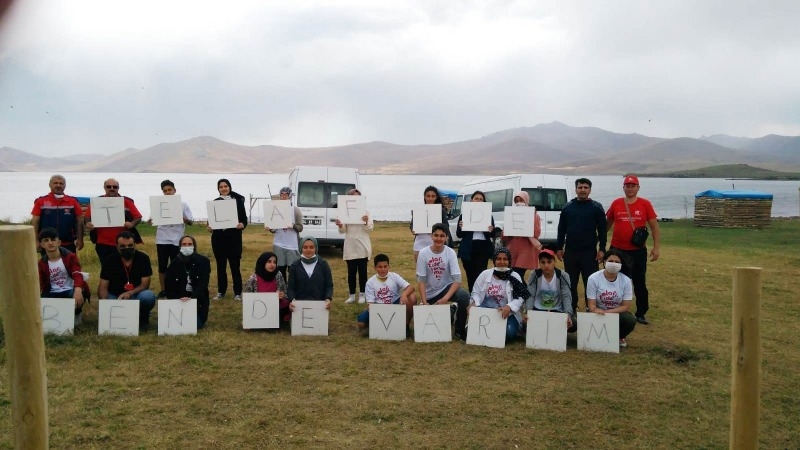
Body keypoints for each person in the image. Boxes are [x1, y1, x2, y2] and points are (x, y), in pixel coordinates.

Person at [605, 174, 661, 325]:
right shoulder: (616, 203)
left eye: (633, 185)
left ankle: (641, 313)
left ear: (638, 187)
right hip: (617, 250)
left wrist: (656, 248)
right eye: (627, 186)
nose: (630, 188)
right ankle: (616, 308)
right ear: (623, 187)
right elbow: (607, 224)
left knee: (639, 281)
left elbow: (654, 226)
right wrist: (600, 243)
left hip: (637, 251)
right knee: (615, 281)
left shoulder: (645, 204)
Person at [556, 178, 607, 313]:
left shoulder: (596, 207)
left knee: (591, 282)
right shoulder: (568, 207)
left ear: (590, 190)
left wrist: (602, 249)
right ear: (576, 189)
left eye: (585, 187)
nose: (583, 190)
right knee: (570, 282)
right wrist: (559, 247)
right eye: (580, 187)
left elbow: (602, 230)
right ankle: (571, 308)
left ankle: (591, 308)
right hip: (571, 252)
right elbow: (561, 229)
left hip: (589, 252)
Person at [416, 223, 470, 341]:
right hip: (430, 291)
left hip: (446, 287)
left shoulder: (450, 252)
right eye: (436, 235)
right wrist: (424, 302)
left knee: (464, 296)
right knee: (422, 323)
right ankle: (451, 311)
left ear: (446, 238)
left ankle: (459, 330)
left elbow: (457, 280)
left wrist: (445, 298)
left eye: (442, 236)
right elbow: (421, 280)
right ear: (431, 236)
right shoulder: (423, 253)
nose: (438, 239)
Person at [98, 231, 157, 330]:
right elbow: (103, 287)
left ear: (135, 245)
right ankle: (115, 318)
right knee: (106, 299)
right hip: (116, 297)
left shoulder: (143, 258)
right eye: (123, 246)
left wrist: (130, 293)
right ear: (117, 247)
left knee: (148, 296)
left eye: (130, 245)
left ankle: (143, 317)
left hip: (136, 295)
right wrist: (106, 305)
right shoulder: (109, 261)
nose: (127, 248)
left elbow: (145, 285)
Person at [468, 247, 529, 343]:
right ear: (494, 260)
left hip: (507, 313)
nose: (502, 262)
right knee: (469, 331)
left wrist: (509, 307)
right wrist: (474, 303)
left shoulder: (515, 276)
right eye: (499, 259)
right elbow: (475, 292)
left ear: (509, 261)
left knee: (509, 333)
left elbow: (520, 298)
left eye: (505, 259)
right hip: (486, 310)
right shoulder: (485, 274)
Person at [37, 227, 90, 325]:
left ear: (59, 242)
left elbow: (77, 274)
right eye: (46, 240)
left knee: (79, 293)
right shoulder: (41, 263)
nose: (50, 243)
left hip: (69, 289)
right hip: (52, 292)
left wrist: (78, 290)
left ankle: (77, 313)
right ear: (42, 244)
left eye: (53, 239)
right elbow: (41, 283)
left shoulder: (70, 257)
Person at [586, 249, 637, 347]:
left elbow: (626, 307)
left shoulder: (626, 281)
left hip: (616, 314)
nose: (614, 264)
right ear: (604, 262)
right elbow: (591, 304)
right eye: (611, 261)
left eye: (617, 262)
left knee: (629, 320)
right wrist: (595, 310)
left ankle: (619, 336)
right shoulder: (593, 278)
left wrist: (607, 313)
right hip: (597, 313)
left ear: (621, 264)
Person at [85, 178, 143, 263]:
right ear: (104, 188)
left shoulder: (126, 201)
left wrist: (132, 224)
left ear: (118, 188)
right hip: (103, 243)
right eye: (109, 187)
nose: (112, 189)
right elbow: (87, 217)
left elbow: (138, 217)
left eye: (115, 187)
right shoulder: (96, 201)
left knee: (124, 268)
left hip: (123, 244)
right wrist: (88, 223)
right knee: (106, 270)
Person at [208, 178, 248, 301]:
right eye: (221, 187)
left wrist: (242, 225)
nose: (224, 188)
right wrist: (209, 227)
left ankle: (237, 293)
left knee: (235, 267)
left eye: (226, 186)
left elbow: (244, 219)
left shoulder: (238, 201)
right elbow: (211, 221)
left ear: (229, 187)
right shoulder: (214, 202)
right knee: (221, 267)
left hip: (234, 239)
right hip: (218, 239)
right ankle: (221, 291)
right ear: (218, 189)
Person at [154, 180, 194, 298]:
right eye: (165, 191)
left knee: (177, 265)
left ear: (174, 190)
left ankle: (177, 288)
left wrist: (182, 218)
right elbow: (153, 218)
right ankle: (164, 289)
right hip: (161, 239)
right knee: (162, 266)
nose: (167, 192)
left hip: (177, 239)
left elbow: (191, 221)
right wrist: (152, 220)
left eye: (169, 190)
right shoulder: (158, 204)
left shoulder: (183, 204)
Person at [357, 253, 416, 332]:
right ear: (375, 268)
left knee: (411, 296)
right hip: (379, 306)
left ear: (389, 266)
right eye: (380, 267)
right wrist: (373, 309)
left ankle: (406, 326)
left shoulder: (394, 276)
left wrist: (404, 295)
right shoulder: (370, 282)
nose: (383, 269)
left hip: (395, 304)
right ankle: (378, 325)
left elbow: (411, 287)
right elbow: (370, 304)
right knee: (361, 323)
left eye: (385, 266)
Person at [335, 188, 374, 303]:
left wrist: (366, 222)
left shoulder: (366, 211)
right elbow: (343, 231)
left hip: (362, 246)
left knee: (362, 272)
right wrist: (340, 225)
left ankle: (362, 294)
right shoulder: (345, 211)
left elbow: (370, 228)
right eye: (353, 197)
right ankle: (352, 295)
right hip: (350, 246)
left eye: (358, 197)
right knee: (351, 272)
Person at [164, 235, 211, 329]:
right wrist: (179, 299)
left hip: (197, 303)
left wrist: (191, 299)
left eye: (190, 244)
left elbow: (203, 285)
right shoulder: (174, 264)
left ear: (194, 246)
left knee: (195, 325)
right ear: (180, 246)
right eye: (184, 244)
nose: (187, 246)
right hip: (178, 303)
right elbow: (169, 287)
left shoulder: (203, 262)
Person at [526, 249, 576, 333]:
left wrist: (568, 314)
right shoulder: (534, 275)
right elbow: (530, 295)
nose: (546, 265)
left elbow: (566, 296)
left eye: (549, 262)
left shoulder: (563, 275)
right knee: (524, 325)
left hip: (557, 310)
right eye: (543, 262)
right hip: (538, 310)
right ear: (539, 263)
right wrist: (529, 312)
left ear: (554, 262)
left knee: (574, 324)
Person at [31, 174, 84, 253]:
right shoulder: (41, 201)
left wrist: (80, 239)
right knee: (48, 265)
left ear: (65, 185)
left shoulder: (72, 201)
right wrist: (35, 240)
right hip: (48, 243)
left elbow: (79, 221)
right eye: (55, 183)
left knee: (69, 264)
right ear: (50, 184)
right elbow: (35, 222)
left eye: (61, 183)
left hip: (68, 243)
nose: (58, 185)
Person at [456, 190, 495, 292]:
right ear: (471, 200)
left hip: (483, 247)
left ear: (484, 202)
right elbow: (458, 234)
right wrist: (462, 227)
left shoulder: (488, 216)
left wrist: (491, 229)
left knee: (480, 275)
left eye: (481, 199)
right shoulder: (464, 215)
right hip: (468, 248)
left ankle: (479, 298)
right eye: (476, 198)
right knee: (470, 275)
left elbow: (492, 235)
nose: (478, 200)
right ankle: (472, 297)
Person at [501, 191, 542, 280]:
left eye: (521, 200)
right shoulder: (511, 214)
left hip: (526, 249)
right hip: (512, 248)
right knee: (512, 274)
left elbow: (537, 233)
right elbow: (504, 236)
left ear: (526, 201)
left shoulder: (535, 215)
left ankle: (524, 293)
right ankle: (522, 293)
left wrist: (532, 217)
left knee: (517, 274)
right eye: (517, 201)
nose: (519, 202)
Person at [287, 236, 333, 311]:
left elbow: (329, 286)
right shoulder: (295, 266)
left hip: (319, 305)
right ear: (301, 249)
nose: (308, 250)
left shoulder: (323, 264)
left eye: (311, 247)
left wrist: (328, 298)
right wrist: (292, 300)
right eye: (305, 247)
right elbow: (290, 288)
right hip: (299, 307)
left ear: (316, 248)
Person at [268, 186, 304, 281]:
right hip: (279, 244)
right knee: (280, 270)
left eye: (286, 194)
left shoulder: (295, 210)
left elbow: (300, 228)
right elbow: (273, 228)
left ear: (290, 196)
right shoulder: (275, 208)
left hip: (292, 245)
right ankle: (282, 290)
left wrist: (292, 225)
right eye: (282, 194)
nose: (283, 196)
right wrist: (270, 228)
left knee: (293, 270)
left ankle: (292, 291)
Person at [244, 251, 290, 323]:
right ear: (263, 262)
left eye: (274, 262)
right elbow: (246, 300)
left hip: (276, 307)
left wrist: (282, 295)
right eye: (269, 262)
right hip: (258, 309)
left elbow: (285, 294)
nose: (272, 264)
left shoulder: (278, 275)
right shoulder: (253, 279)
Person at [411, 186, 450, 264]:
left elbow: (446, 226)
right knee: (420, 268)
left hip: (435, 242)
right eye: (428, 196)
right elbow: (412, 225)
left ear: (436, 197)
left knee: (435, 267)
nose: (430, 198)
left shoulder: (440, 211)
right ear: (425, 197)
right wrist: (413, 229)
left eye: (433, 196)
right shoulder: (419, 210)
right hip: (420, 243)